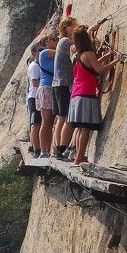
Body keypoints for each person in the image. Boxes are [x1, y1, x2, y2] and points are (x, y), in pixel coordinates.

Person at [67, 26, 119, 165]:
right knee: (85, 128)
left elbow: (90, 65)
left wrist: (105, 57)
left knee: (79, 128)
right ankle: (79, 157)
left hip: (76, 94)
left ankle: (78, 156)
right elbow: (98, 69)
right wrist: (115, 61)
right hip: (86, 93)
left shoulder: (76, 55)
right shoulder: (89, 53)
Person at [51, 16, 79, 159]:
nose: (73, 27)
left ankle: (57, 148)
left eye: (74, 24)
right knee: (65, 117)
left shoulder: (62, 42)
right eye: (70, 25)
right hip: (63, 83)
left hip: (57, 83)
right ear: (64, 28)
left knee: (60, 117)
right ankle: (61, 148)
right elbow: (76, 57)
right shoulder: (67, 41)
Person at [35, 33, 58, 157]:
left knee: (52, 120)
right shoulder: (44, 53)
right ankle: (43, 151)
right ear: (46, 43)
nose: (55, 42)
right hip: (46, 87)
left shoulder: (52, 54)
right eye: (53, 40)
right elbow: (61, 51)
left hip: (52, 87)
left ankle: (48, 149)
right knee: (46, 121)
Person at [25, 41, 42, 154]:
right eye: (40, 50)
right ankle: (36, 149)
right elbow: (35, 82)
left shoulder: (37, 65)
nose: (42, 52)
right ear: (33, 52)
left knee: (36, 123)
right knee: (36, 123)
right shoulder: (34, 66)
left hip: (35, 96)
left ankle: (34, 146)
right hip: (34, 96)